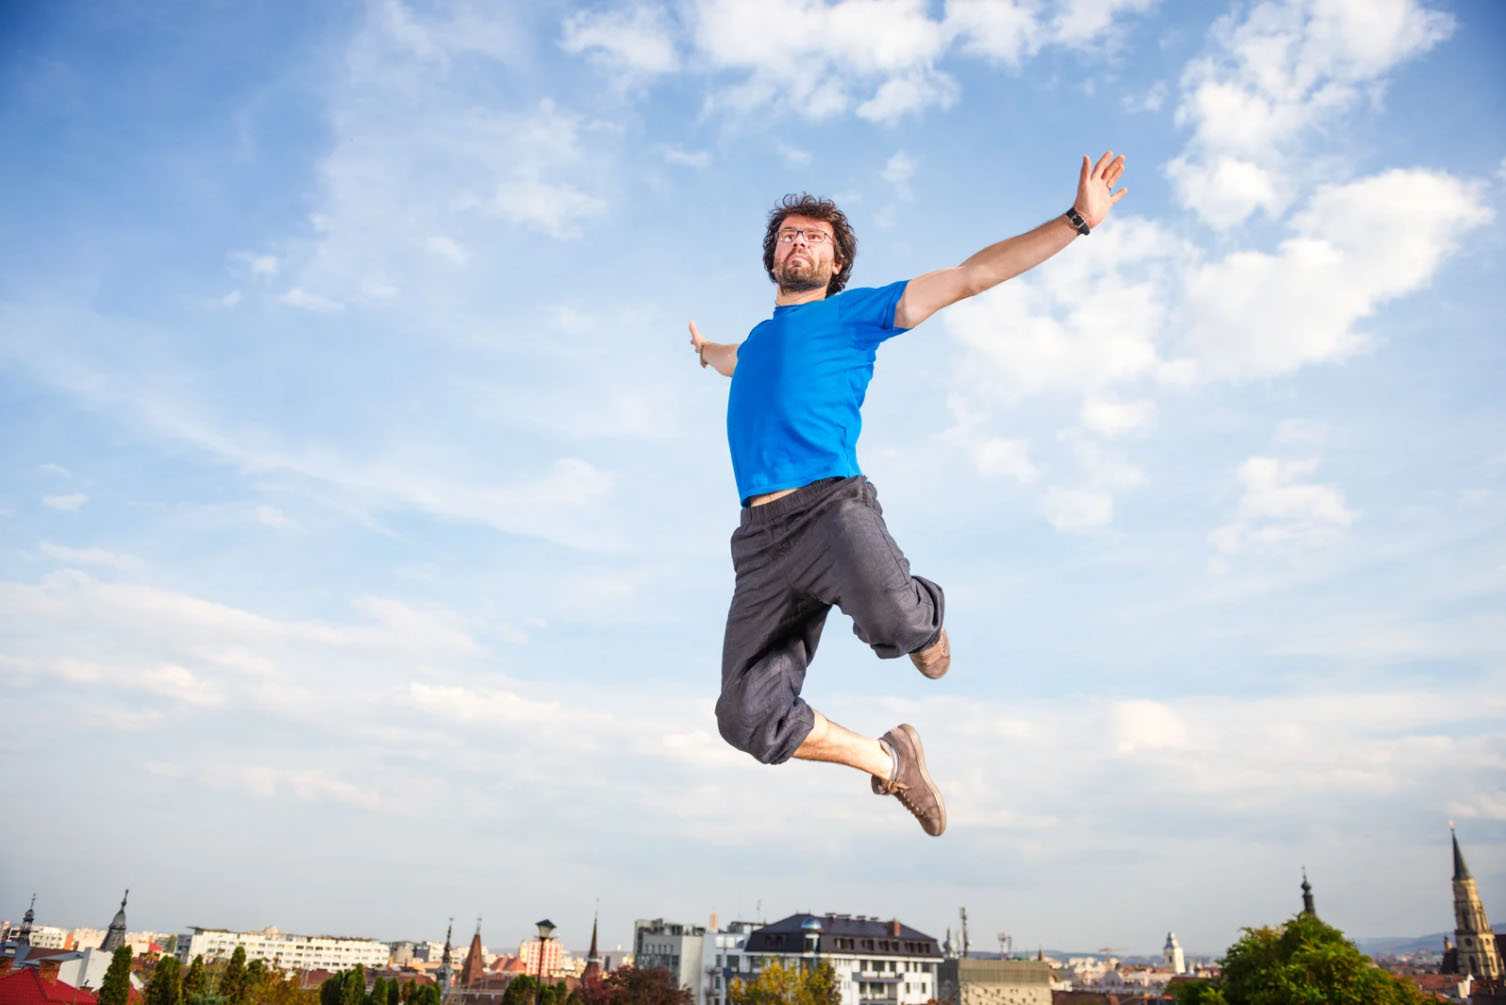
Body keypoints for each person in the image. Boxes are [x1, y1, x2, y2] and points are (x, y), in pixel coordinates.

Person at [690, 152, 1127, 836]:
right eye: (788, 234)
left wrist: (1075, 221)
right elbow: (727, 359)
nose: (799, 239)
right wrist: (706, 349)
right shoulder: (754, 346)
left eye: (816, 235)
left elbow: (969, 277)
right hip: (760, 546)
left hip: (831, 511)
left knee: (895, 625)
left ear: (836, 265)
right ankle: (891, 760)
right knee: (743, 718)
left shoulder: (856, 314)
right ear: (773, 255)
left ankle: (923, 621)